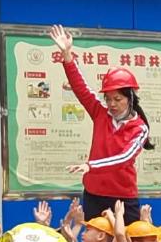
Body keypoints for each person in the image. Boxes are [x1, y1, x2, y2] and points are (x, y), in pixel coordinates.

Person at [47, 25, 151, 220]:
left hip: (122, 198)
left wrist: (91, 166)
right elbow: (81, 89)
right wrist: (67, 55)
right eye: (108, 99)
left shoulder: (140, 128)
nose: (112, 104)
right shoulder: (100, 113)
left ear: (130, 98)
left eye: (117, 99)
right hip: (93, 195)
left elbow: (124, 158)